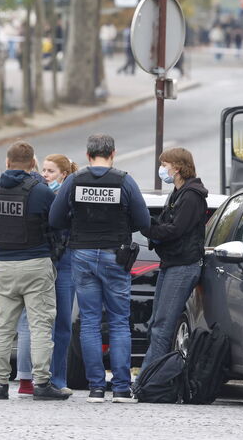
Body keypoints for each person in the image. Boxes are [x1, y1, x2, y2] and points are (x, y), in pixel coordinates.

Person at [49, 134, 150, 403]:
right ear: (113, 154)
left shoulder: (73, 180)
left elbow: (55, 218)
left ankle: (95, 388)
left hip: (81, 254)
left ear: (87, 154)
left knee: (90, 322)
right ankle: (120, 388)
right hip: (115, 255)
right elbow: (142, 219)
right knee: (118, 322)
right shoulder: (124, 180)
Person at [0, 141, 70, 401]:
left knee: (3, 327)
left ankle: (0, 384)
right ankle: (41, 382)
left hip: (3, 265)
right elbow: (60, 223)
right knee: (39, 326)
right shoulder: (41, 191)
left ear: (7, 163)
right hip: (36, 264)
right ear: (32, 165)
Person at [139, 148, 208, 371]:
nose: (162, 169)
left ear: (176, 168)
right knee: (156, 324)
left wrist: (146, 228)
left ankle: (147, 381)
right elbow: (163, 223)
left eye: (165, 164)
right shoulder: (177, 193)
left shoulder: (191, 196)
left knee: (162, 326)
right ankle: (153, 376)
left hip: (183, 265)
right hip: (171, 263)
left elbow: (174, 230)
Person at [41, 154, 79, 391]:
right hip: (42, 262)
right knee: (40, 322)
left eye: (51, 171)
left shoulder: (70, 196)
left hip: (64, 262)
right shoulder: (40, 194)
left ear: (64, 174)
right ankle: (37, 374)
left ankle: (58, 377)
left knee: (62, 322)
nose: (45, 175)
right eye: (44, 170)